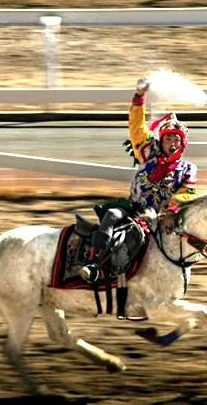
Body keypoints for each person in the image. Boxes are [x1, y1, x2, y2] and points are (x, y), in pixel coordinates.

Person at [79, 76, 198, 283]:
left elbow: (186, 193)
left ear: (182, 144)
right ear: (161, 141)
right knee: (111, 215)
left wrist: (170, 212)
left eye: (176, 139)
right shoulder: (147, 152)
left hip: (162, 218)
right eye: (168, 138)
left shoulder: (187, 169)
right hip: (133, 210)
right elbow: (137, 126)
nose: (172, 143)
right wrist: (139, 96)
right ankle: (94, 264)